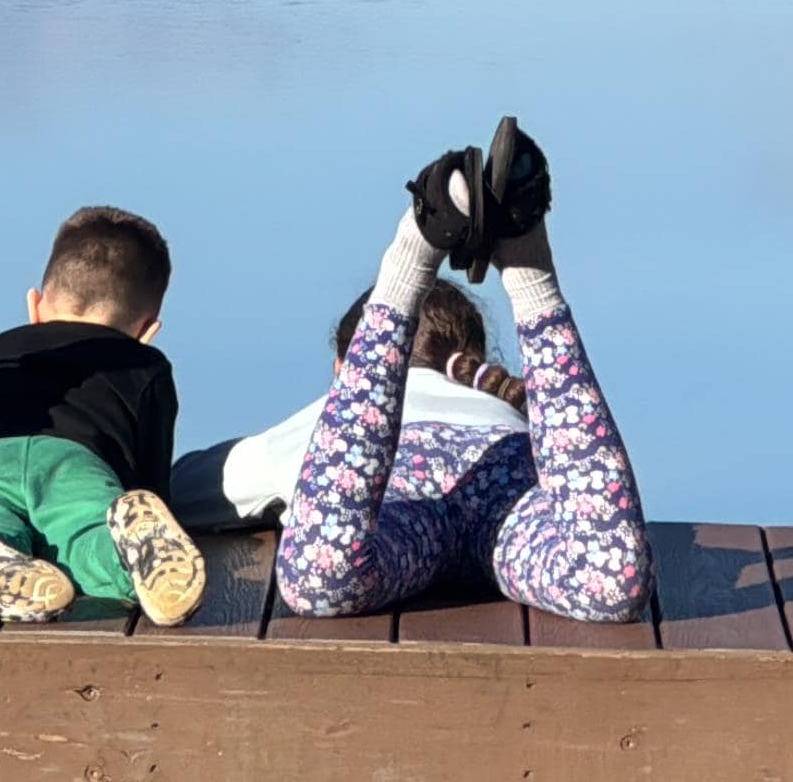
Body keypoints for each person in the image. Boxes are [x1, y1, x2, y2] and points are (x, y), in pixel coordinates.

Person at [269, 117, 651, 624]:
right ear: (478, 359)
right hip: (504, 492)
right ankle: (526, 262)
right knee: (610, 582)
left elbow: (195, 489)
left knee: (319, 581)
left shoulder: (312, 426)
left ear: (345, 373)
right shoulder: (506, 408)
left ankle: (414, 252)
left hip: (408, 508)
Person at [0, 206, 208, 626]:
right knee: (85, 538)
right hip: (77, 465)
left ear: (35, 305)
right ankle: (133, 556)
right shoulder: (145, 366)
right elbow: (149, 469)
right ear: (147, 330)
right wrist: (146, 503)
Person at [167, 282, 521, 529]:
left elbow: (181, 492)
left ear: (343, 368)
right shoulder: (520, 423)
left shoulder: (328, 422)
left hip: (379, 571)